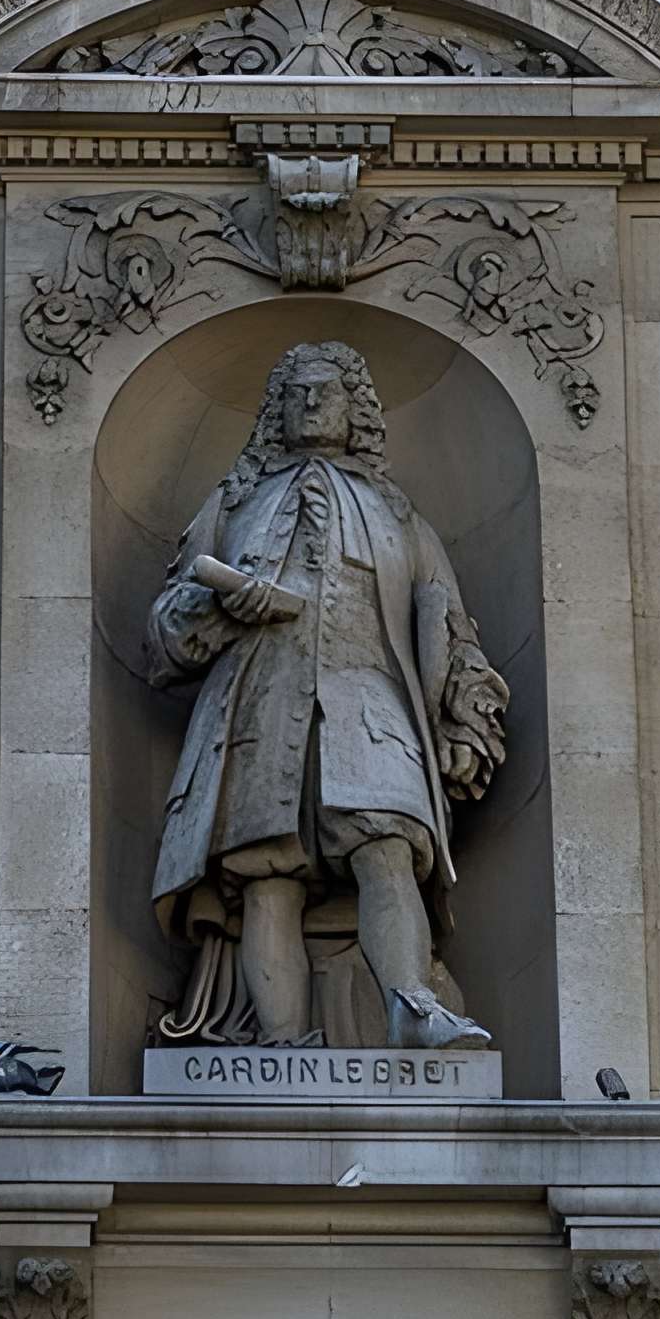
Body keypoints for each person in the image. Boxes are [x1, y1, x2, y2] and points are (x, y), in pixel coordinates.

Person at [146, 340, 507, 1045]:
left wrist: (465, 724)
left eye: (327, 392)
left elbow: (449, 625)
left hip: (370, 705)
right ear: (276, 411)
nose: (312, 404)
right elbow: (163, 637)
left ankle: (413, 1010)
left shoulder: (400, 516)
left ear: (356, 410)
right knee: (266, 872)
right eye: (297, 393)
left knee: (390, 845)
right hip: (256, 704)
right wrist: (217, 607)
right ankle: (280, 1046)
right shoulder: (234, 503)